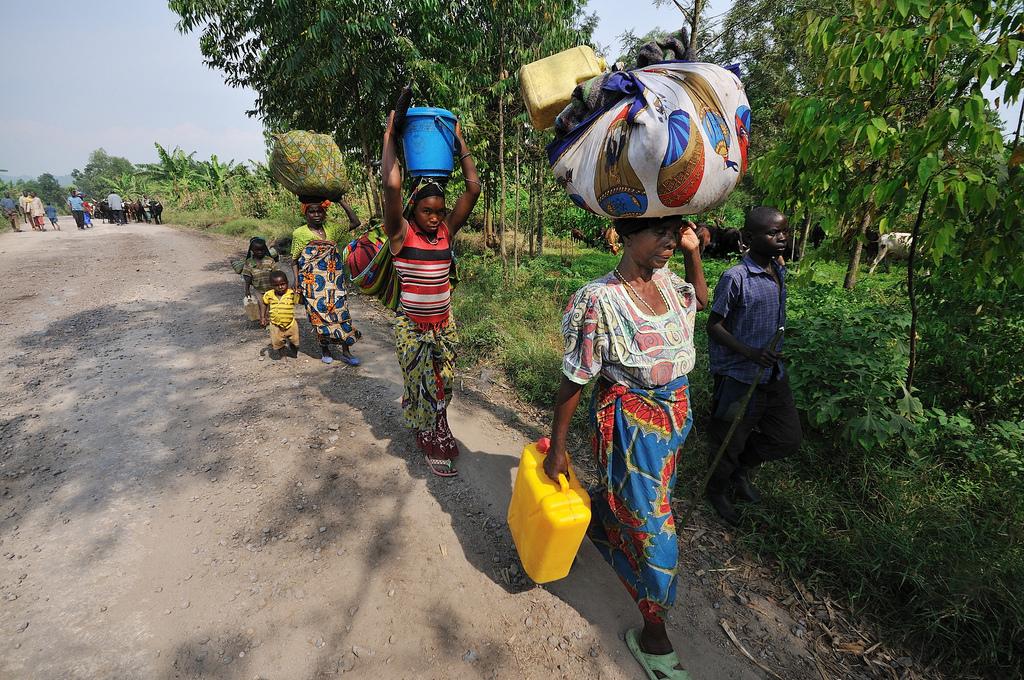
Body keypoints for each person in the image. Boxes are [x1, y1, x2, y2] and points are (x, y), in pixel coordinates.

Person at [543, 215, 707, 680]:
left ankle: (594, 520)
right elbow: (575, 378)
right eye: (661, 232)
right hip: (633, 427)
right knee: (659, 533)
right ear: (627, 235)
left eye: (674, 232)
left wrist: (694, 252)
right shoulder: (600, 299)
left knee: (640, 504)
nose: (670, 241)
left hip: (674, 421)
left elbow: (703, 299)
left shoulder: (671, 283)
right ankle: (654, 634)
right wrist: (558, 447)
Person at [381, 109, 481, 477]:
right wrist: (391, 137)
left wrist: (458, 141)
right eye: (427, 211)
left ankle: (426, 411)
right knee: (429, 390)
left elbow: (473, 189)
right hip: (413, 329)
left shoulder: (446, 234)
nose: (436, 217)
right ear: (413, 209)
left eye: (439, 211)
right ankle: (433, 438)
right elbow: (392, 186)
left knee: (445, 384)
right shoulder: (400, 234)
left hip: (444, 326)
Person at [705, 206, 803, 526]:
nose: (782, 238)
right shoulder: (736, 277)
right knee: (729, 439)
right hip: (740, 374)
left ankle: (739, 471)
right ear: (749, 238)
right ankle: (717, 489)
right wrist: (749, 352)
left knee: (786, 437)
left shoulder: (778, 269)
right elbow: (714, 326)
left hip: (772, 373)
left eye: (784, 231)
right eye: (773, 233)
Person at [290, 197, 361, 366]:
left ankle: (346, 351)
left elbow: (355, 222)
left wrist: (341, 200)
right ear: (305, 214)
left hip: (334, 280)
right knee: (319, 316)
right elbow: (294, 259)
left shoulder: (332, 229)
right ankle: (325, 350)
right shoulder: (299, 233)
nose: (316, 215)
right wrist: (297, 282)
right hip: (312, 282)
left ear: (325, 213)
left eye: (319, 211)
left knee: (341, 314)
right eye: (312, 211)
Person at [259, 271, 301, 360]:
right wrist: (263, 317)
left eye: (283, 284)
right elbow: (264, 304)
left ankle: (293, 348)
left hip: (291, 323)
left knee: (295, 340)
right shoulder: (269, 294)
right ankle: (283, 354)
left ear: (287, 283)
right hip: (275, 324)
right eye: (277, 285)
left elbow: (298, 301)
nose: (280, 287)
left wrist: (298, 293)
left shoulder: (291, 293)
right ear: (272, 285)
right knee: (277, 341)